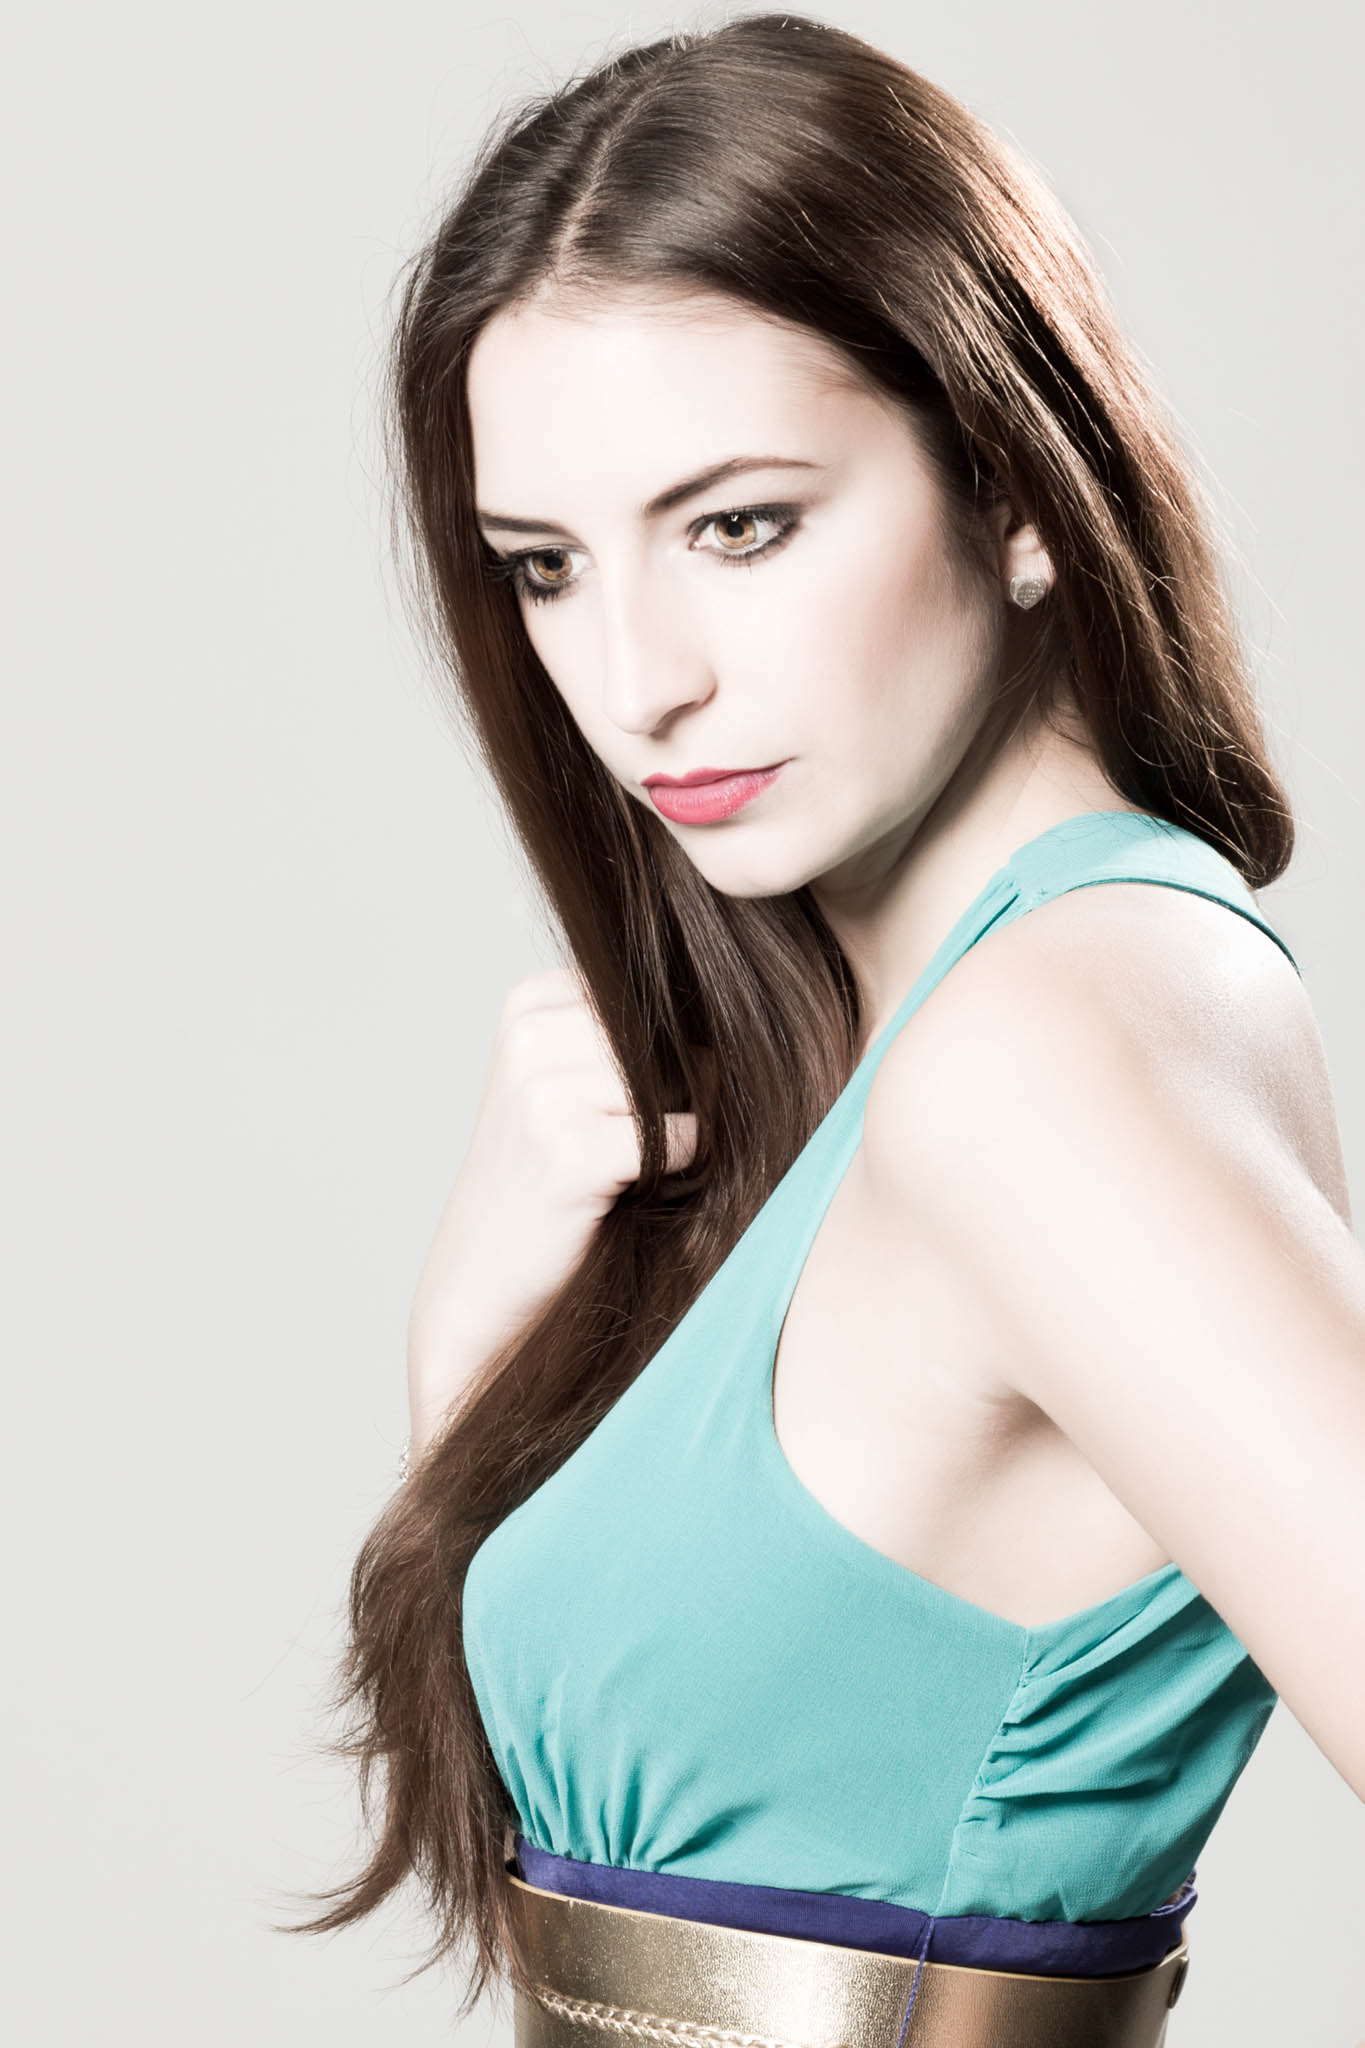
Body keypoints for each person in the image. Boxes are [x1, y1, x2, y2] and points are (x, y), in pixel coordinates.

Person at [279, 13, 1364, 2042]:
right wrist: (486, 1356)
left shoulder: (1044, 1047)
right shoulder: (926, 1043)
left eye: (739, 525)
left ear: (1019, 490)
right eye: (542, 567)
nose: (636, 680)